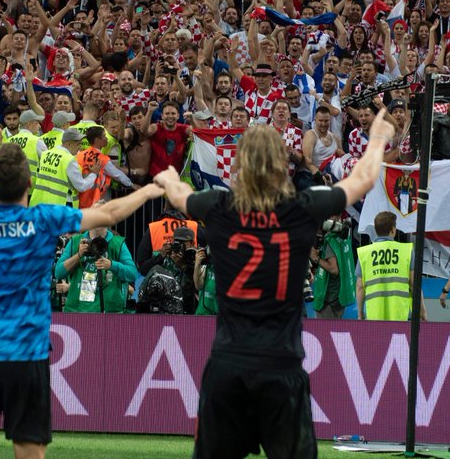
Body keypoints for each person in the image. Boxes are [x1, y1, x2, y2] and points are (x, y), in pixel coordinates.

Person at [152, 109, 397, 459]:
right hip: (280, 367)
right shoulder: (300, 208)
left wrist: (167, 176)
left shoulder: (219, 207)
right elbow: (362, 180)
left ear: (240, 164)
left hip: (228, 365)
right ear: (282, 164)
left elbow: (179, 195)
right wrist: (376, 138)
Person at [0, 146, 164, 459]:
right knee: (29, 449)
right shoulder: (43, 220)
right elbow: (109, 214)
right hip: (26, 355)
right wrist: (149, 189)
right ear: (30, 184)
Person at [54, 216, 138, 313]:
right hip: (76, 312)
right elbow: (58, 272)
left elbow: (132, 274)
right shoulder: (75, 242)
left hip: (110, 312)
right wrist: (78, 255)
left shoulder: (117, 243)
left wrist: (111, 265)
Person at [356, 212, 425, 322]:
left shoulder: (364, 252)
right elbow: (414, 284)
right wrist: (422, 311)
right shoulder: (406, 250)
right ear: (393, 230)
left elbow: (360, 286)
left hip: (374, 313)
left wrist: (360, 314)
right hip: (400, 312)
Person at [29, 128, 101, 207]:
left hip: (40, 202)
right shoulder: (69, 160)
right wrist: (93, 174)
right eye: (78, 144)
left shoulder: (46, 154)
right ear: (68, 144)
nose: (80, 147)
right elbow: (81, 186)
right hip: (60, 205)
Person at [312, 219, 356, 320]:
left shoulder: (330, 240)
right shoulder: (344, 237)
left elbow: (333, 269)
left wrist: (316, 258)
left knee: (323, 333)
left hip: (328, 299)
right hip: (339, 294)